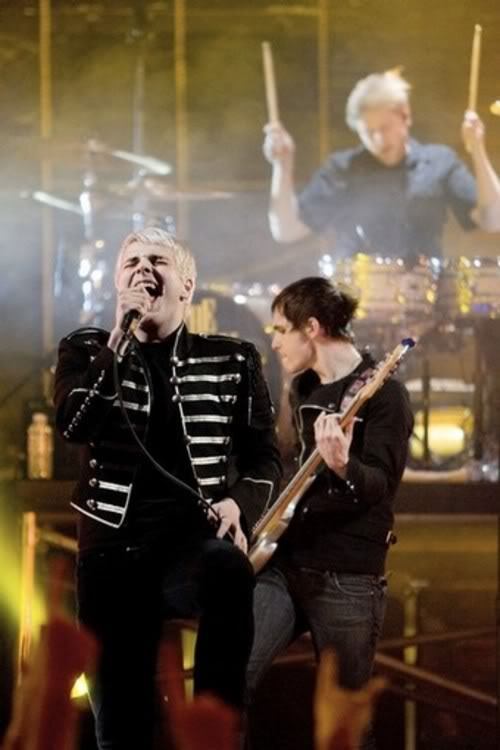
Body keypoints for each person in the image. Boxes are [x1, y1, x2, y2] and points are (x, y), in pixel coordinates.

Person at [54, 226, 282, 750]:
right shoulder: (86, 348)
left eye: (157, 260)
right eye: (131, 262)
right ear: (117, 284)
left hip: (190, 545)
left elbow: (265, 456)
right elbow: (74, 424)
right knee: (122, 724)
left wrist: (239, 504)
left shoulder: (233, 358)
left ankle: (215, 730)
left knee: (229, 569)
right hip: (111, 553)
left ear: (187, 285)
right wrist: (117, 342)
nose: (142, 269)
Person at [245, 277, 414, 750]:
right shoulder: (302, 387)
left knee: (347, 724)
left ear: (312, 328)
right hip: (285, 565)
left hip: (348, 577)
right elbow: (294, 470)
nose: (274, 343)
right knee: (227, 679)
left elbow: (379, 487)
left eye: (281, 330)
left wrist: (343, 466)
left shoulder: (386, 395)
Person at [263, 71, 500, 258]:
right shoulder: (342, 169)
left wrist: (477, 149)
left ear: (405, 116)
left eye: (385, 128)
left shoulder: (440, 162)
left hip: (425, 296)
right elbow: (286, 231)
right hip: (352, 298)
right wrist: (282, 166)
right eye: (368, 132)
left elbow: (493, 220)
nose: (378, 140)